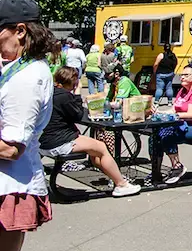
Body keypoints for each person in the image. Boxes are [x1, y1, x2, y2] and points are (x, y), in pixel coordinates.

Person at [0, 0, 59, 251]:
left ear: (20, 31)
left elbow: (11, 148)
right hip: (11, 184)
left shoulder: (27, 78)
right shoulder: (19, 68)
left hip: (11, 186)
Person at [39, 67, 141, 197]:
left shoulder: (49, 92)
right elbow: (78, 115)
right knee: (101, 147)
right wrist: (77, 94)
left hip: (44, 140)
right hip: (59, 141)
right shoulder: (64, 96)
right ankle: (121, 184)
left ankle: (113, 176)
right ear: (73, 82)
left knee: (95, 148)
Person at [151, 65, 192, 184]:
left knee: (166, 133)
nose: (182, 78)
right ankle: (156, 172)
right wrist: (159, 112)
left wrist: (173, 116)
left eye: (186, 75)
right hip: (183, 124)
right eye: (181, 75)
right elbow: (174, 110)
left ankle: (177, 167)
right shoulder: (182, 91)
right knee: (155, 136)